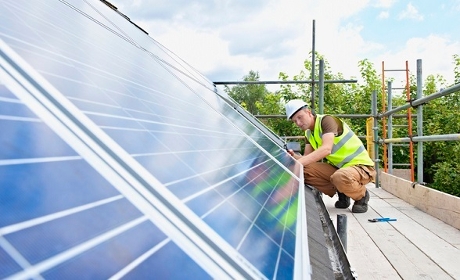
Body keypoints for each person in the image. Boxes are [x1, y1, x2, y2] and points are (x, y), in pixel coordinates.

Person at [285, 99, 376, 213]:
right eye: (294, 121)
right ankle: (342, 191)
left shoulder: (327, 121)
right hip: (340, 169)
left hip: (361, 167)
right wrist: (293, 157)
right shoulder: (308, 133)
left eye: (300, 117)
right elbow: (306, 158)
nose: (298, 123)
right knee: (304, 171)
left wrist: (299, 163)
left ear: (308, 112)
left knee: (340, 177)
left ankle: (361, 196)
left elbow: (326, 149)